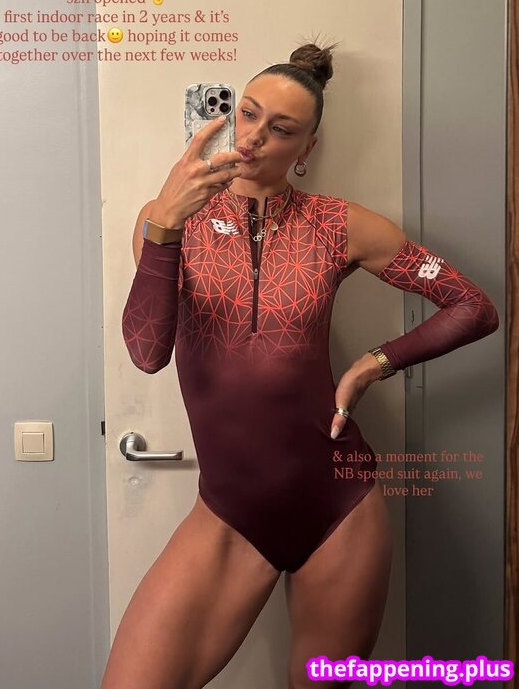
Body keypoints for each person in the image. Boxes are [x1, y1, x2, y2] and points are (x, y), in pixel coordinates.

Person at [101, 42, 499, 689]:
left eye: (281, 128)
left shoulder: (340, 225)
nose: (255, 136)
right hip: (228, 512)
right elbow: (147, 353)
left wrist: (374, 363)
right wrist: (167, 224)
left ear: (307, 147)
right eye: (248, 113)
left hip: (339, 507)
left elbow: (473, 307)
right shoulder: (166, 218)